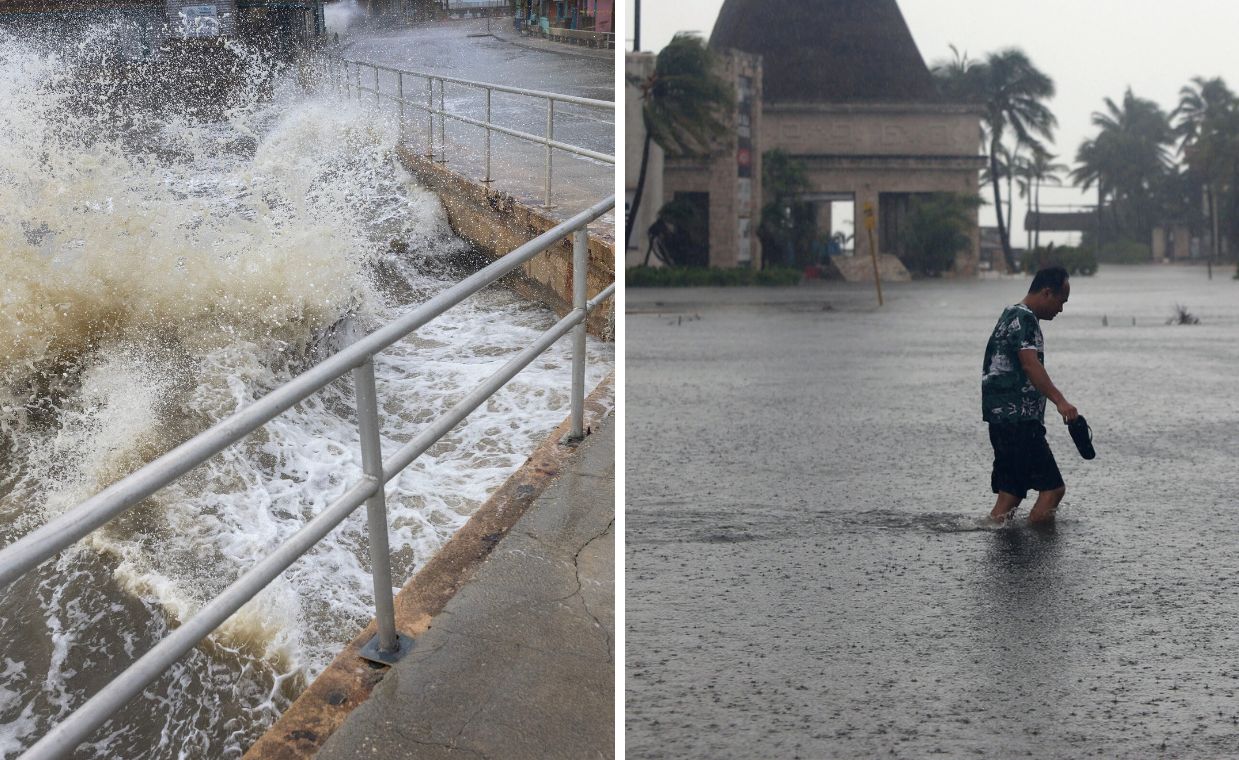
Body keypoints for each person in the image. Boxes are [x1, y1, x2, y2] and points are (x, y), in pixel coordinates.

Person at [981, 266, 1079, 525]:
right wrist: (1061, 401)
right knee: (1053, 490)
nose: (1061, 309)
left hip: (1000, 421)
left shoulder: (1009, 314)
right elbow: (1029, 363)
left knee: (1010, 495)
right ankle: (1038, 557)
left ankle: (1003, 550)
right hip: (1019, 422)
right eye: (1061, 301)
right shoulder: (1026, 319)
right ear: (1047, 293)